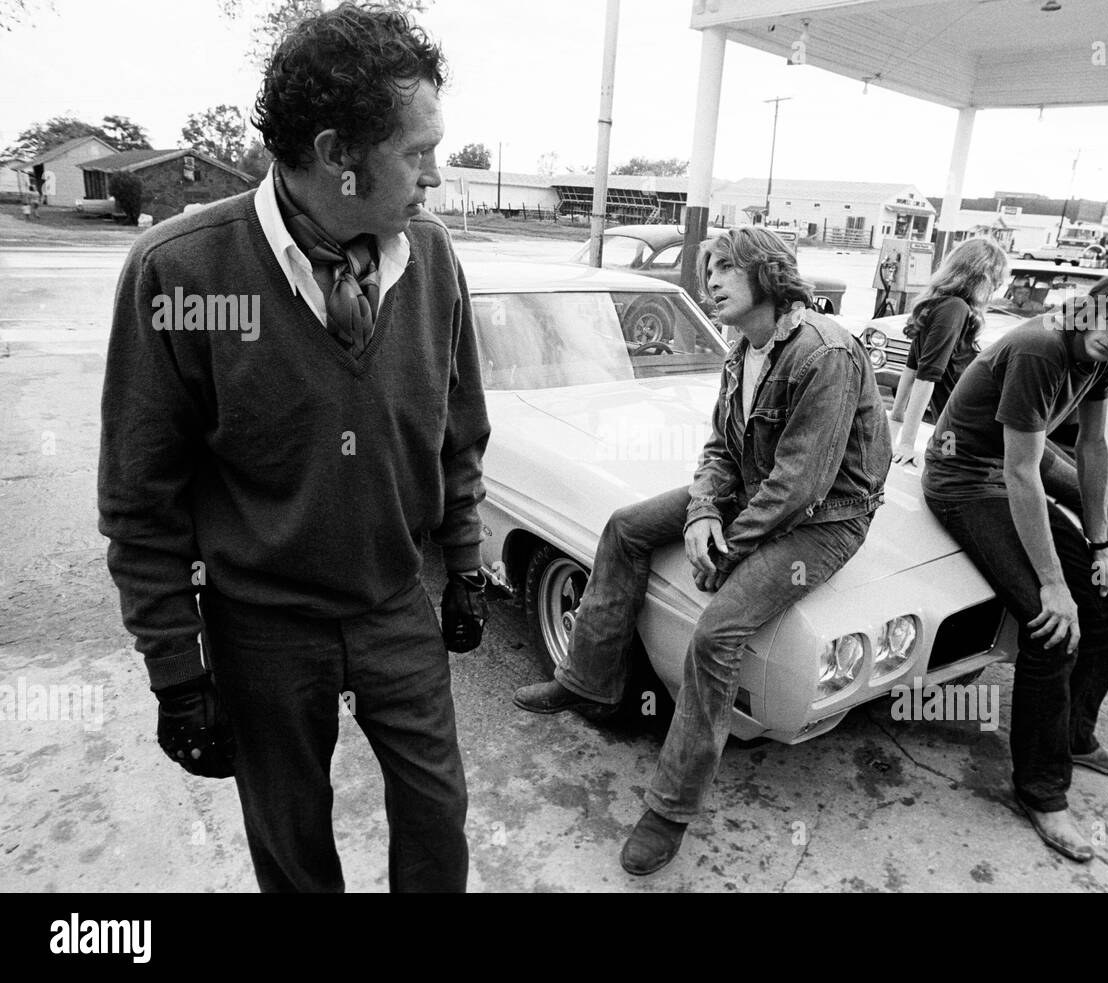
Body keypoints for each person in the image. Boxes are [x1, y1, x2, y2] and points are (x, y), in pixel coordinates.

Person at [98, 3, 490, 892]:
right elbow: (139, 498)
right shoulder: (182, 276)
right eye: (419, 153)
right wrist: (177, 674)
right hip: (262, 628)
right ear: (336, 154)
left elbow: (458, 433)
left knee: (437, 819)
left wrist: (462, 565)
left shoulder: (431, 260)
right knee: (291, 845)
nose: (438, 176)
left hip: (395, 605)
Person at [513, 226, 892, 876]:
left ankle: (669, 808)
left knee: (717, 632)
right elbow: (721, 449)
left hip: (827, 519)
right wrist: (701, 515)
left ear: (768, 276)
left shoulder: (825, 353)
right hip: (754, 491)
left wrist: (727, 547)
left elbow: (802, 486)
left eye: (724, 269)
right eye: (707, 268)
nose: (709, 279)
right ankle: (586, 680)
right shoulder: (742, 346)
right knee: (626, 527)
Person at [921, 262, 1108, 862]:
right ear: (1098, 301)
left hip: (1021, 459)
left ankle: (1076, 736)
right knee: (1051, 626)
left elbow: (1096, 445)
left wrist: (1100, 548)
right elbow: (1017, 474)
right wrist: (1052, 584)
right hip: (967, 477)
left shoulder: (1106, 354)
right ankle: (1042, 791)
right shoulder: (1043, 347)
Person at [890, 236, 1009, 465]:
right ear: (980, 276)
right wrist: (906, 442)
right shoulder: (955, 308)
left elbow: (912, 368)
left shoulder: (936, 305)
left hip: (956, 427)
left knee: (950, 463)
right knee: (1067, 483)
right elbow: (925, 377)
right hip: (973, 427)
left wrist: (897, 416)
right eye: (996, 280)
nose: (997, 288)